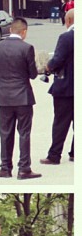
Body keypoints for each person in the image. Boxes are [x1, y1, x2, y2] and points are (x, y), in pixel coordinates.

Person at [0, 17, 41, 179]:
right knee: (24, 132)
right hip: (23, 97)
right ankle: (24, 168)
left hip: (4, 96)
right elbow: (33, 74)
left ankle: (5, 167)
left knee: (5, 133)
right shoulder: (27, 48)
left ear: (11, 29)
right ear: (24, 31)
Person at [40, 9, 74, 165]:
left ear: (68, 20)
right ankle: (75, 152)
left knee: (61, 122)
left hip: (66, 87)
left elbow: (58, 60)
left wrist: (48, 67)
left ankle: (54, 155)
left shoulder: (67, 37)